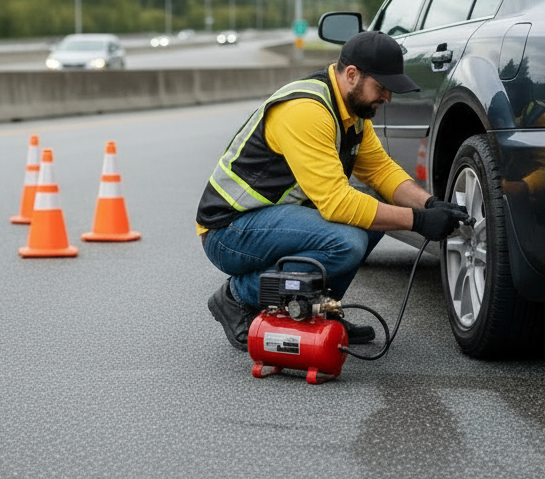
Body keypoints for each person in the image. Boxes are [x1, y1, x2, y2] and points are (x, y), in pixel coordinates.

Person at [197, 30, 471, 351]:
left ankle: (318, 312)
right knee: (347, 241)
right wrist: (418, 221)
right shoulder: (307, 110)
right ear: (352, 75)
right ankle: (238, 296)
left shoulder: (351, 112)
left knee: (374, 213)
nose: (388, 98)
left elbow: (382, 172)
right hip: (229, 230)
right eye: (381, 88)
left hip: (270, 222)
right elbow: (337, 204)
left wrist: (431, 204)